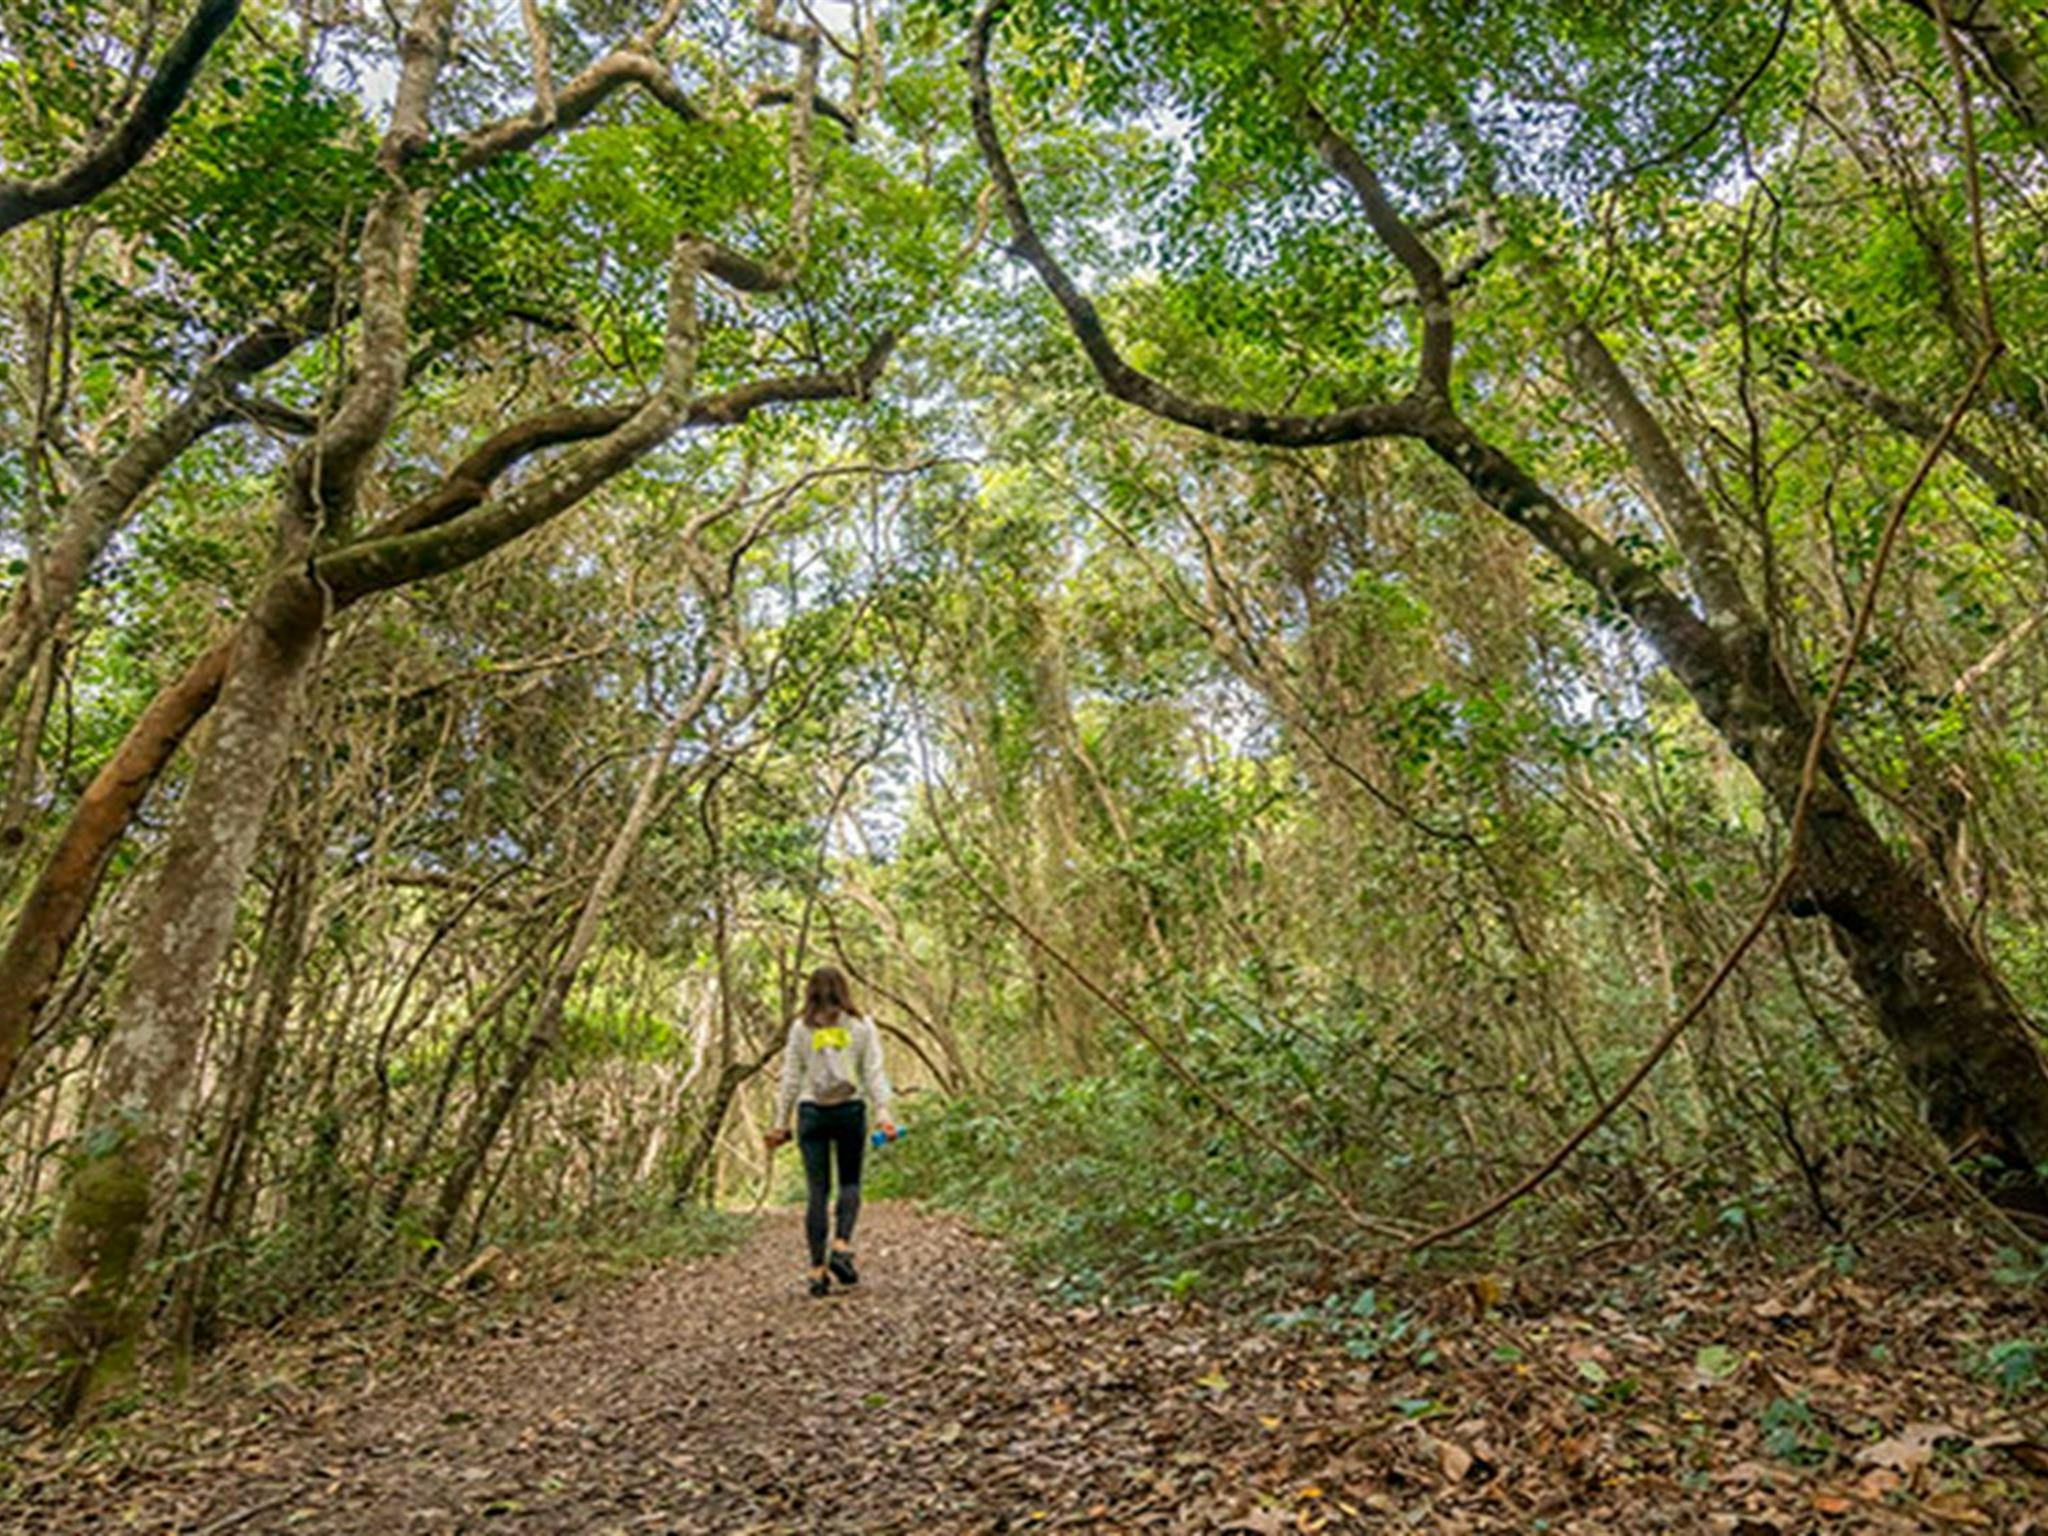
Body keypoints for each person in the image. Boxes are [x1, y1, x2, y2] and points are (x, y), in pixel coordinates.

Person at [765, 965, 896, 1297]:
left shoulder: (800, 1029)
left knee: (817, 1191)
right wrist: (883, 1113)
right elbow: (873, 1071)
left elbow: (790, 1077)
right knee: (850, 1182)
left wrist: (781, 1123)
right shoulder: (861, 1025)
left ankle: (816, 1270)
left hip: (812, 1114)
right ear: (844, 990)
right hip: (850, 1110)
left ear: (810, 993)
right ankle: (840, 1246)